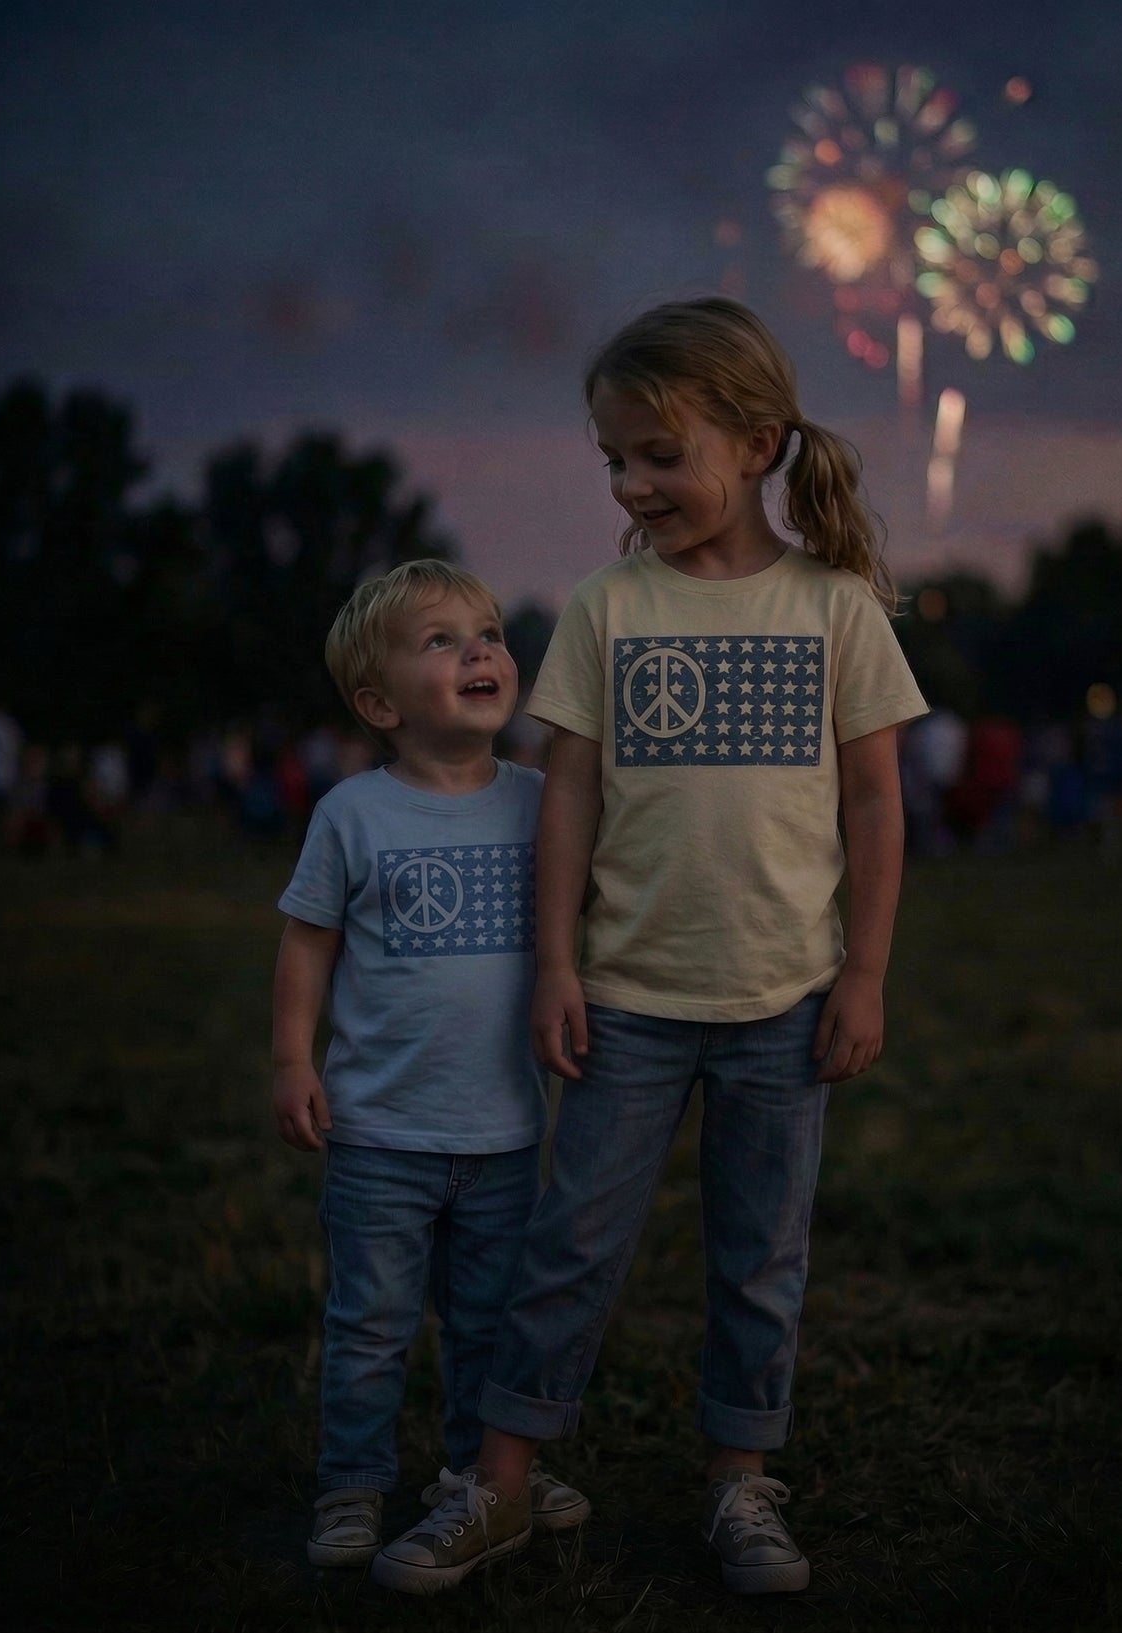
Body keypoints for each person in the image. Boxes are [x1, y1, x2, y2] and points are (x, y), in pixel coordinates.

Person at [462, 296, 927, 1597]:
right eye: (614, 458)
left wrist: (868, 971)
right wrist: (555, 962)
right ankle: (498, 1476)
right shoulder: (609, 606)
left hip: (786, 1001)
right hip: (626, 999)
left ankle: (738, 1481)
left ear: (759, 442)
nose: (633, 483)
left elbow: (878, 801)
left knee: (760, 1255)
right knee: (572, 1243)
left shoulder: (835, 607)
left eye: (661, 454)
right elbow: (566, 791)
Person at [270, 558, 589, 1588]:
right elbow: (307, 942)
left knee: (488, 1321)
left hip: (503, 1132)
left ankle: (475, 1476)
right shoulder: (353, 814)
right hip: (379, 1133)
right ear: (378, 702)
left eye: (488, 631)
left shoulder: (542, 802)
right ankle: (352, 1484)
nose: (480, 650)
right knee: (369, 1324)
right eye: (441, 640)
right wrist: (291, 1058)